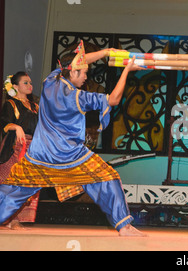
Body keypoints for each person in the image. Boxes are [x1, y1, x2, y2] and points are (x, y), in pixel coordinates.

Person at [0, 41, 145, 237]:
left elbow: (74, 63)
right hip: (72, 157)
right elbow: (113, 100)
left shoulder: (49, 81)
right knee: (109, 179)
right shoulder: (78, 97)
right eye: (83, 72)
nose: (86, 76)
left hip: (40, 156)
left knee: (13, 191)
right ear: (74, 72)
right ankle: (125, 227)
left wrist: (107, 52)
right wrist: (127, 70)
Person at [0, 72, 39, 229]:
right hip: (16, 146)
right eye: (25, 83)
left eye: (30, 82)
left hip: (33, 148)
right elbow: (4, 123)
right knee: (13, 183)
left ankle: (19, 218)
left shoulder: (35, 106)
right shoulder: (11, 104)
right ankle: (11, 219)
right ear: (15, 86)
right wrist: (16, 127)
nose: (30, 85)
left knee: (29, 184)